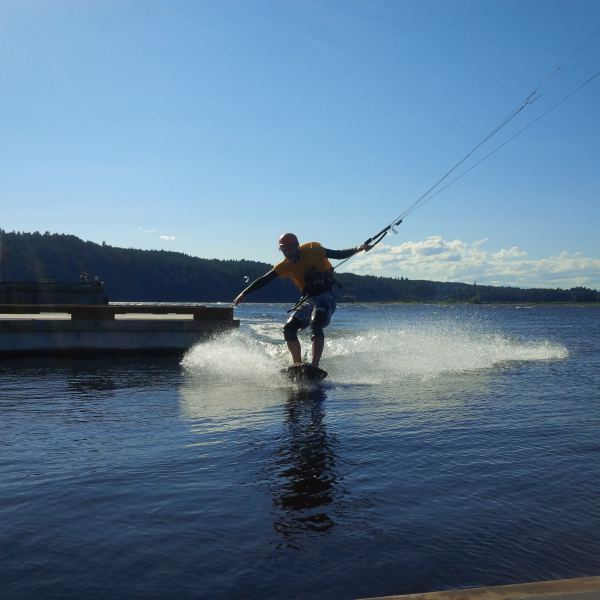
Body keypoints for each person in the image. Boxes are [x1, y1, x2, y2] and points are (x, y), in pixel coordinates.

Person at [233, 233, 368, 368]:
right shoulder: (284, 266)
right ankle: (297, 364)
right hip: (308, 299)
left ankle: (314, 366)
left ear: (297, 246)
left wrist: (357, 248)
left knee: (316, 325)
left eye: (289, 248)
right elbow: (264, 279)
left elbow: (338, 254)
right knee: (289, 329)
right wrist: (244, 293)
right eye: (284, 250)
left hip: (327, 295)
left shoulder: (313, 250)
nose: (287, 252)